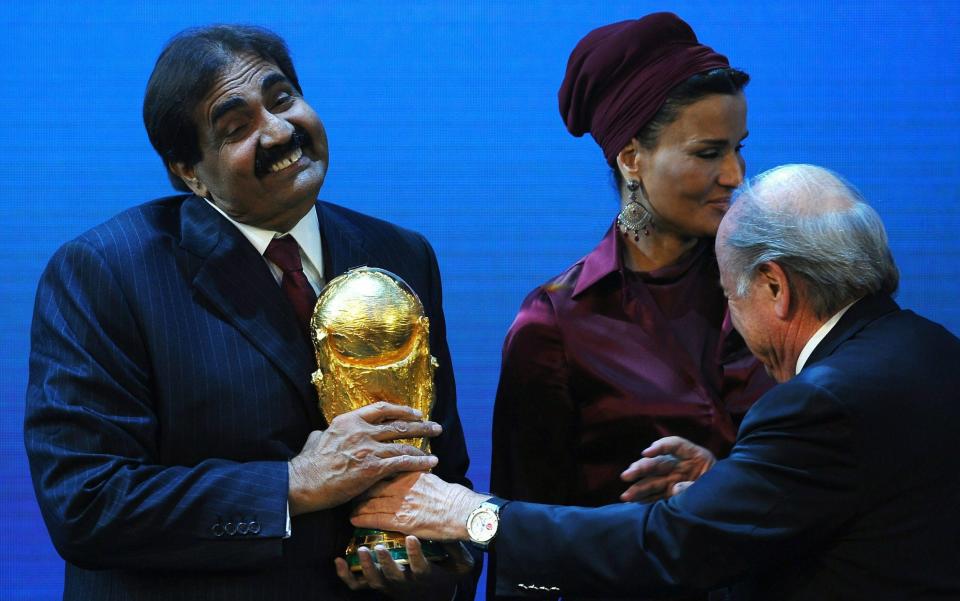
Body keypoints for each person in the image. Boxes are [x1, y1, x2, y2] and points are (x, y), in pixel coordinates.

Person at [353, 164, 960, 599]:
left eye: (729, 294)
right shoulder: (932, 349)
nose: (728, 318)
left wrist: (475, 514)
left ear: (775, 288)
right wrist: (734, 487)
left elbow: (671, 547)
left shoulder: (818, 402)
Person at [25, 25, 477, 601]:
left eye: (284, 98)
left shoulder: (400, 254)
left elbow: (442, 463)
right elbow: (86, 501)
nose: (280, 130)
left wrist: (439, 570)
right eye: (236, 127)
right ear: (189, 172)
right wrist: (294, 485)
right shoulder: (104, 272)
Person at [489, 14, 773, 596]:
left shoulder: (778, 285)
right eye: (707, 152)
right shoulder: (553, 326)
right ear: (630, 158)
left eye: (739, 149)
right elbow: (524, 541)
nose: (736, 175)